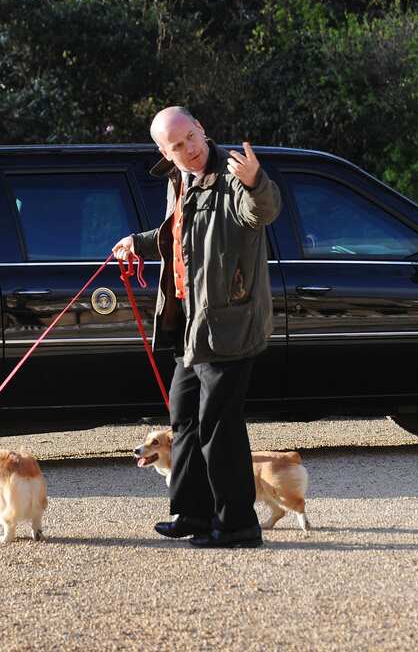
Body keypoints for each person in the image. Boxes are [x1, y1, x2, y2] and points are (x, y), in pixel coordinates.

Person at [112, 106, 281, 548]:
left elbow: (261, 212)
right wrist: (138, 242)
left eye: (190, 138)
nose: (187, 150)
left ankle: (239, 525)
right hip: (188, 322)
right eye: (176, 146)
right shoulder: (178, 180)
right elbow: (180, 234)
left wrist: (256, 182)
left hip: (228, 324)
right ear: (163, 151)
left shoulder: (231, 176)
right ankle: (193, 514)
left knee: (218, 425)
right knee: (182, 418)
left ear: (201, 129)